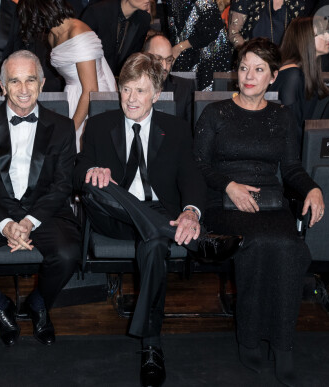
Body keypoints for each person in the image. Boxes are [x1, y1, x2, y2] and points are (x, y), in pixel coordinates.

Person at [73, 52, 242, 387]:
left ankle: (151, 344)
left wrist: (191, 213)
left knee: (154, 246)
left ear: (155, 94)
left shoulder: (176, 130)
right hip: (114, 216)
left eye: (140, 91)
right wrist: (91, 171)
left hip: (158, 215)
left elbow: (192, 179)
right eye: (125, 89)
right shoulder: (100, 124)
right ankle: (185, 237)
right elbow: (77, 170)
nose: (131, 99)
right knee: (100, 186)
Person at [193, 38, 325, 387]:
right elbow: (198, 164)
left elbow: (292, 168)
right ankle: (249, 337)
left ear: (273, 76)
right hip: (223, 204)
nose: (249, 76)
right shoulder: (215, 113)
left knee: (290, 246)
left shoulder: (281, 117)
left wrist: (312, 187)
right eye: (243, 67)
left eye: (259, 69)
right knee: (262, 240)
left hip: (269, 203)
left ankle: (283, 345)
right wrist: (229, 186)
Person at [0, 50, 80, 348]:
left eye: (30, 80)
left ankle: (39, 303)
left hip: (45, 210)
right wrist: (6, 224)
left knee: (69, 253)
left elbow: (61, 185)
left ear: (42, 83)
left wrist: (29, 222)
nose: (23, 89)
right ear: (2, 86)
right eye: (15, 81)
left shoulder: (62, 126)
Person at [17, 0, 117, 150]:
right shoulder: (52, 36)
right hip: (72, 96)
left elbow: (90, 90)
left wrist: (70, 129)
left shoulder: (77, 32)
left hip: (91, 99)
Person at [269, 16, 329, 144]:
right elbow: (289, 130)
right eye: (322, 33)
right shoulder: (292, 75)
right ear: (305, 39)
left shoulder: (302, 72)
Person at [167, 0, 233, 90]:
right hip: (185, 52)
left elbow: (211, 30)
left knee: (205, 98)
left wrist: (179, 48)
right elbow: (173, 29)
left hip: (210, 57)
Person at [81, 0, 151, 76]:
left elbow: (132, 59)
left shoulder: (144, 19)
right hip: (89, 75)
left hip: (119, 81)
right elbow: (80, 52)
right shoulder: (97, 12)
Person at [143, 31, 196, 124]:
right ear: (144, 57)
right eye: (158, 59)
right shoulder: (131, 87)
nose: (164, 66)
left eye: (169, 60)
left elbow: (189, 133)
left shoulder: (185, 88)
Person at [228, 0, 307, 48]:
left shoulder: (298, 3)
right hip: (253, 63)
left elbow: (303, 36)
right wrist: (250, 55)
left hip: (287, 64)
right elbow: (234, 33)